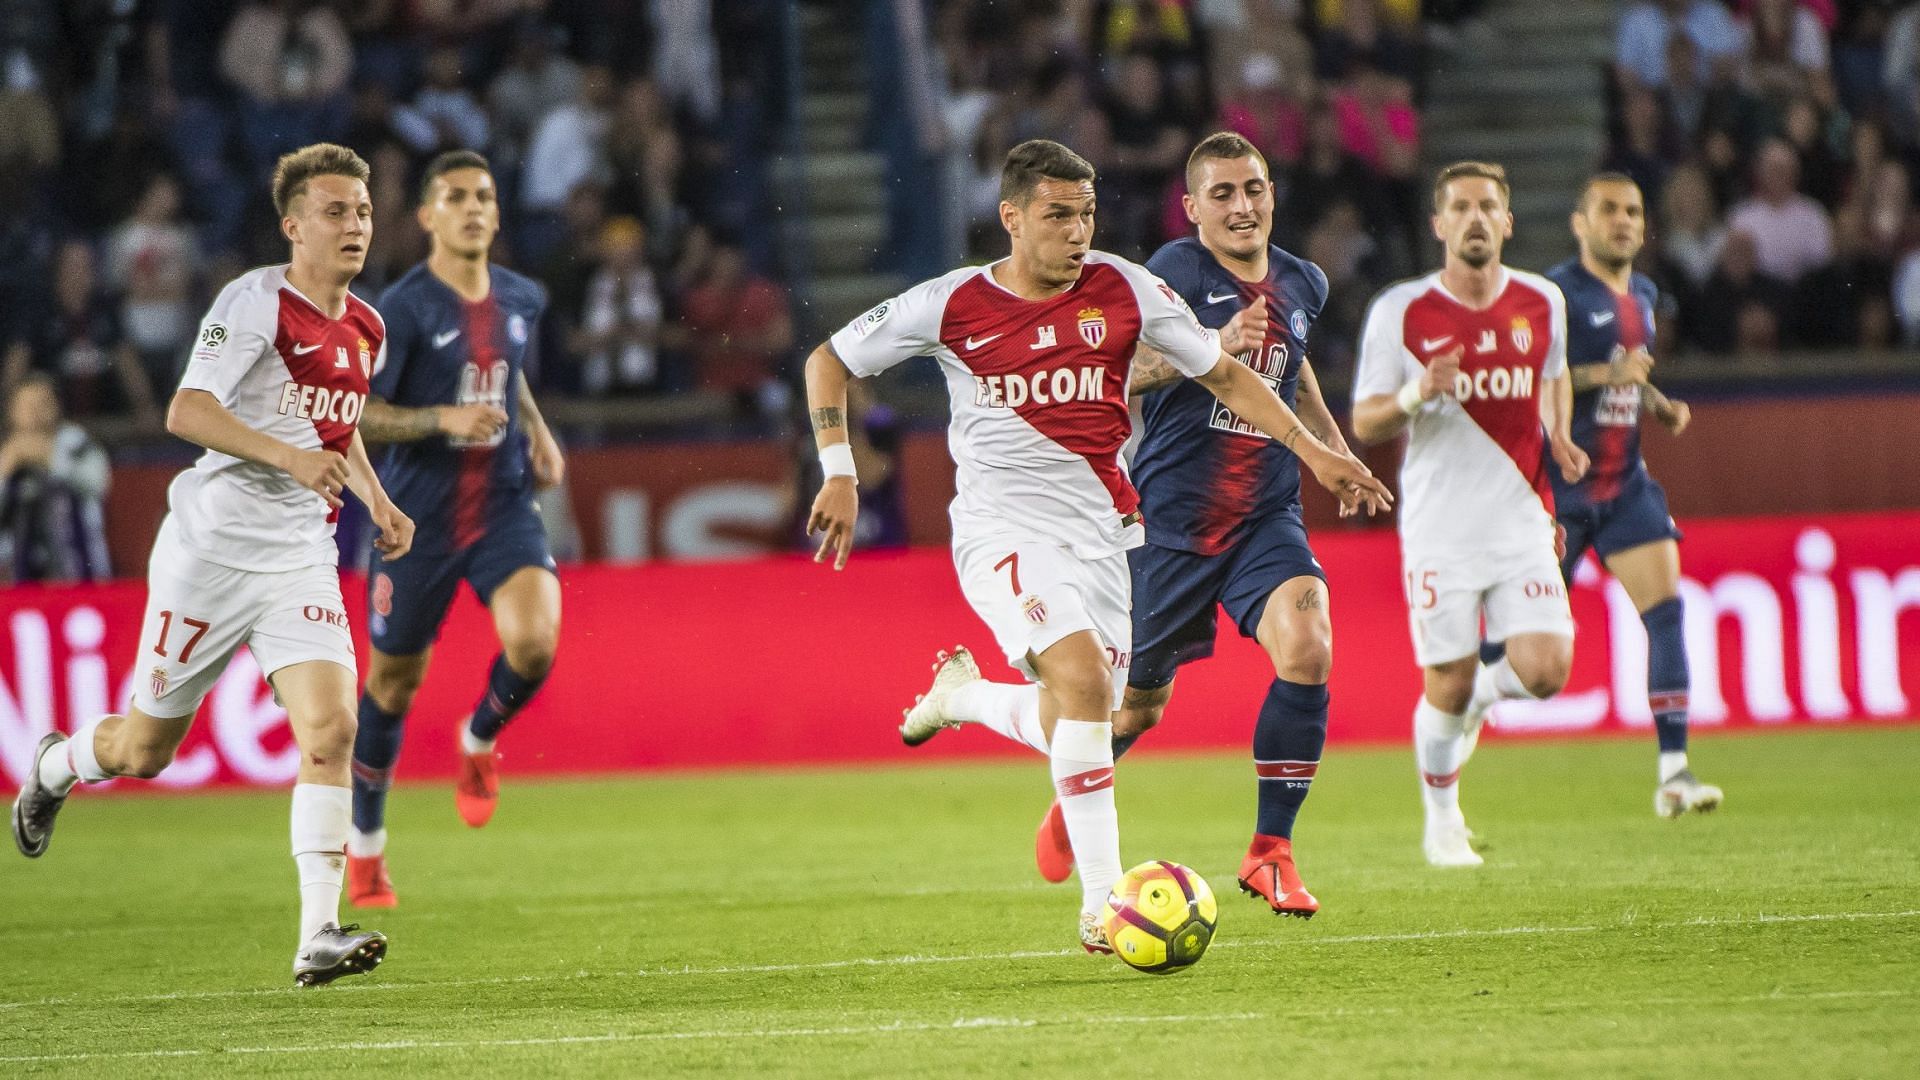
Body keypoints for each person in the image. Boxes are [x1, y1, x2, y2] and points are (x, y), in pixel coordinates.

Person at [804, 139, 1389, 951]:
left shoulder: (1126, 287)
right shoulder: (949, 303)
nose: (1077, 233)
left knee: (1088, 714)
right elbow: (828, 360)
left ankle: (964, 698)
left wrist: (1315, 450)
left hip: (1108, 533)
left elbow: (1225, 373)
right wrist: (839, 470)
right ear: (1011, 219)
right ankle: (1102, 907)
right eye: (1057, 217)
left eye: (1086, 215)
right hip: (1001, 529)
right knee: (1082, 685)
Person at [9, 143, 413, 985]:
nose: (354, 226)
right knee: (144, 750)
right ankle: (54, 766)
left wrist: (375, 501)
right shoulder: (256, 300)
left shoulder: (366, 327)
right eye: (335, 212)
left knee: (332, 729)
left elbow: (336, 428)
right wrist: (288, 459)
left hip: (299, 553)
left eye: (364, 212)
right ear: (292, 225)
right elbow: (186, 409)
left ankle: (318, 935)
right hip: (213, 549)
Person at [1027, 132, 1353, 918]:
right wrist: (1208, 350)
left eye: (1254, 190)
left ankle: (1271, 852)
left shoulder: (1304, 282)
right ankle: (1079, 787)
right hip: (1169, 525)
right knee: (1137, 708)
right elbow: (1121, 373)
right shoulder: (1168, 276)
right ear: (1192, 208)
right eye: (1223, 194)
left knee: (1308, 647)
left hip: (1263, 518)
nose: (1242, 207)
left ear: (1272, 194)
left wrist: (1331, 456)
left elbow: (1296, 371)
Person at [1350, 161, 1589, 868]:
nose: (1476, 218)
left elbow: (1554, 374)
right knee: (1446, 684)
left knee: (1547, 669)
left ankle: (1492, 691)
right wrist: (1418, 393)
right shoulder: (1401, 311)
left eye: (1488, 206)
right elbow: (1365, 420)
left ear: (1507, 222)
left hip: (1519, 519)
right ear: (1439, 224)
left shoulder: (1543, 301)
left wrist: (1563, 435)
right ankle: (1443, 820)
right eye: (1461, 207)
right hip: (1440, 527)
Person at [346, 150, 563, 908]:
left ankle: (477, 741)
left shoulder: (522, 296)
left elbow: (510, 367)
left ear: (497, 215)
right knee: (392, 685)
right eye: (455, 197)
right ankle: (366, 851)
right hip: (418, 517)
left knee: (535, 642)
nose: (472, 208)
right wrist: (444, 418)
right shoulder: (401, 311)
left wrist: (537, 428)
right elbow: (362, 413)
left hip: (501, 502)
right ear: (428, 216)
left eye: (484, 197)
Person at [1544, 173, 1722, 817]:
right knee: (1530, 651)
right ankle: (1451, 723)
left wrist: (1657, 402)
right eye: (1609, 210)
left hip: (1626, 486)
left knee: (1667, 613)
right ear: (1580, 222)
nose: (1622, 221)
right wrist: (1605, 374)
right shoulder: (1556, 293)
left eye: (1633, 212)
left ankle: (1674, 772)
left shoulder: (1644, 293)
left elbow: (1630, 371)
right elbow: (1542, 379)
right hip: (1559, 490)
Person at [0, 373, 112, 583]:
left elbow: (98, 484)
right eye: (27, 405)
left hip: (79, 568)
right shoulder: (6, 452)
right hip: (16, 576)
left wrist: (52, 459)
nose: (35, 412)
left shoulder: (76, 442)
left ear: (56, 406)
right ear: (12, 410)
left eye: (42, 403)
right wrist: (5, 471)